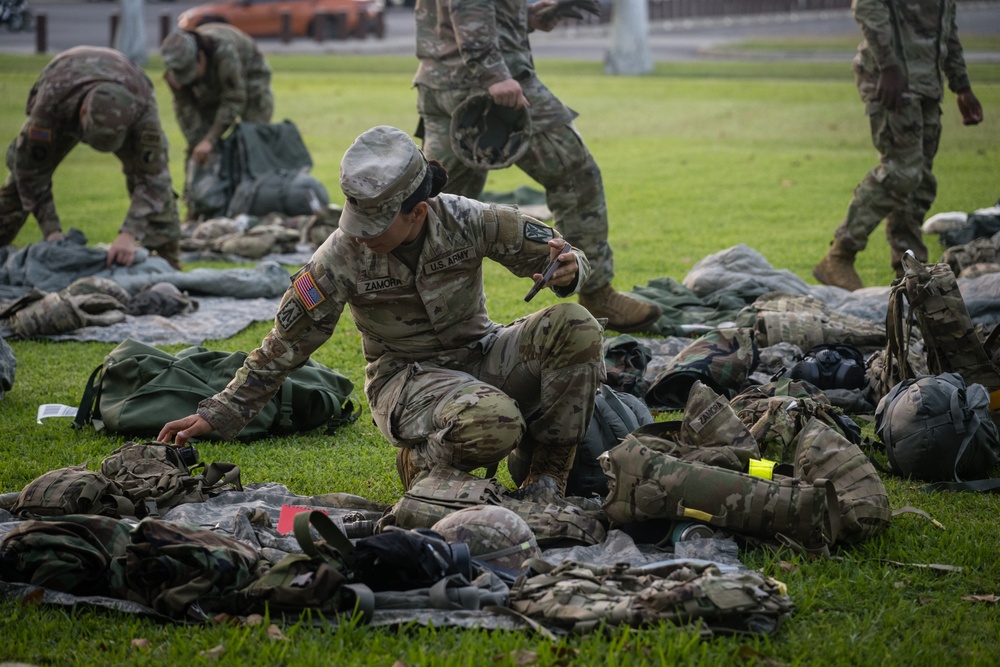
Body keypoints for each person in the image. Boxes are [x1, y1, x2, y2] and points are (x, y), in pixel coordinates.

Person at [157, 125, 605, 498]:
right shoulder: (339, 257)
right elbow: (285, 344)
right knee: (495, 423)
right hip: (406, 380)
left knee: (576, 326)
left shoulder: (471, 220)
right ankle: (422, 462)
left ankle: (547, 479)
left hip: (480, 354)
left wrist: (568, 271)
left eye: (375, 224)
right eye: (357, 219)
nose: (362, 235)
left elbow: (560, 255)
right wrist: (220, 412)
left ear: (418, 212)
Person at [411, 0, 662, 333]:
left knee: (440, 205)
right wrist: (493, 73)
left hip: (443, 82)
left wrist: (527, 16)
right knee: (575, 173)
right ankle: (596, 292)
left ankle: (412, 308)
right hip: (486, 82)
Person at [812, 0, 983, 291]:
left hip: (927, 84)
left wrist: (961, 86)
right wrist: (888, 65)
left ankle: (911, 276)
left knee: (919, 186)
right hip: (891, 80)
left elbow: (946, 28)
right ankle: (839, 255)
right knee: (902, 171)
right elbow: (867, 6)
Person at [0, 46, 182, 269]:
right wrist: (52, 232)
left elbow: (154, 179)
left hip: (129, 81)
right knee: (17, 189)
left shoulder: (142, 111)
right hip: (65, 82)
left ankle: (169, 268)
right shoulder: (51, 105)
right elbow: (30, 170)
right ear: (83, 114)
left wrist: (128, 234)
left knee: (157, 189)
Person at [160, 24, 274, 219]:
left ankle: (259, 203)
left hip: (250, 75)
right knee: (199, 147)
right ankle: (198, 206)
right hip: (211, 81)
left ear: (201, 57)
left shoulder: (224, 52)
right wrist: (200, 143)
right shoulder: (176, 72)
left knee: (254, 139)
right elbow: (186, 112)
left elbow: (234, 98)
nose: (185, 80)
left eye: (189, 72)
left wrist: (211, 138)